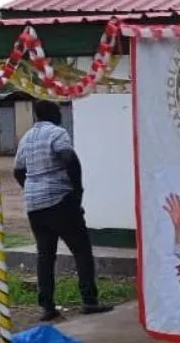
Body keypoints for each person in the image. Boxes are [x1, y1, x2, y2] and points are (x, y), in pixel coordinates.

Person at [13, 100, 113, 322]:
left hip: (34, 205)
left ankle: (47, 307)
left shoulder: (26, 138)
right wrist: (76, 190)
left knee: (45, 256)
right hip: (60, 201)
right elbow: (69, 158)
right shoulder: (57, 133)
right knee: (81, 250)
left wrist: (32, 188)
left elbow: (18, 170)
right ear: (54, 114)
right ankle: (89, 300)